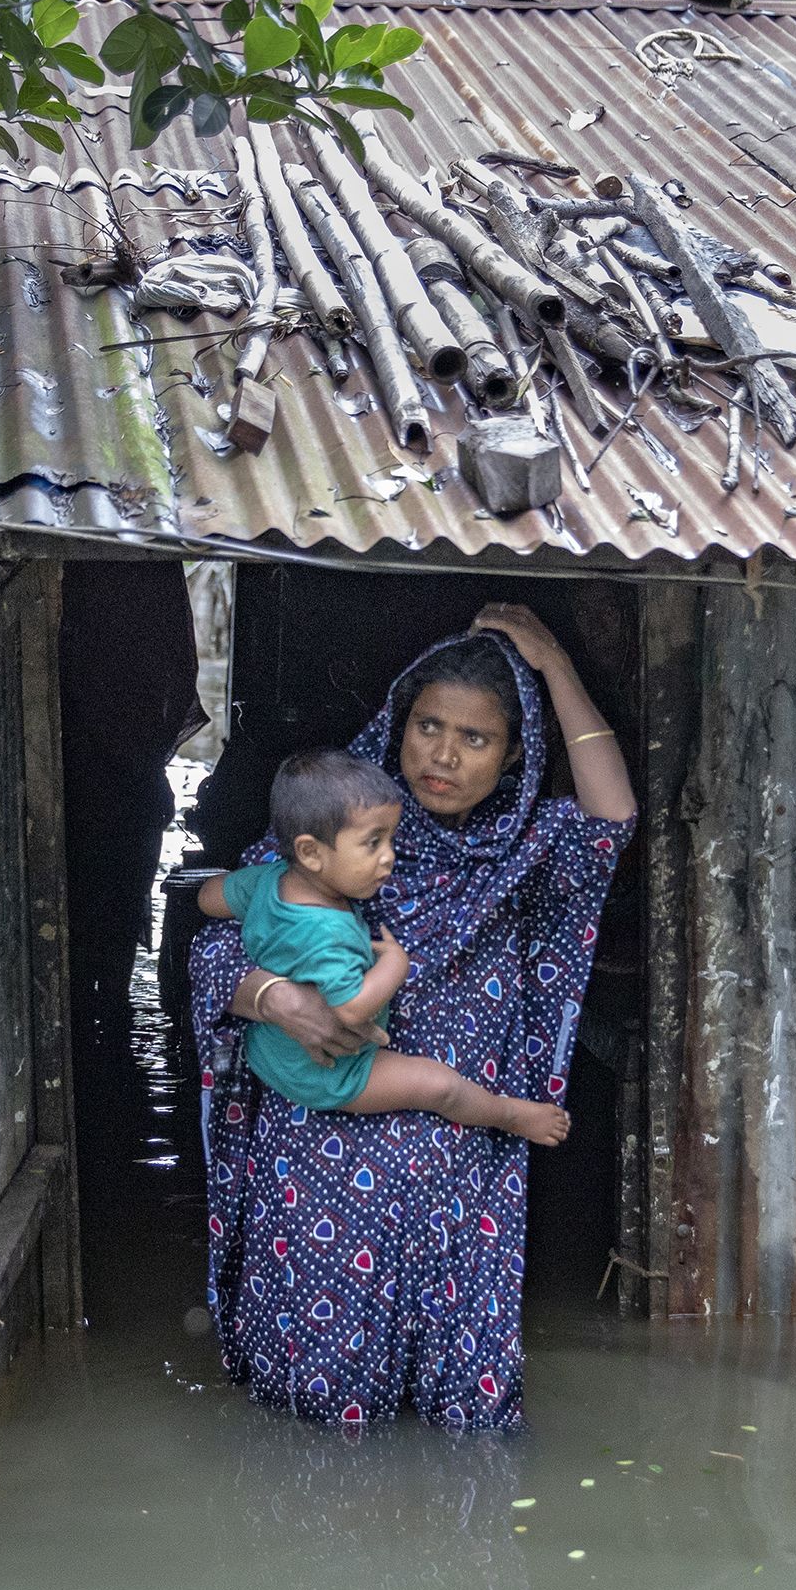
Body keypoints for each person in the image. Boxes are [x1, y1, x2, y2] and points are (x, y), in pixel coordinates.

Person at [187, 604, 636, 1430]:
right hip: (318, 1156)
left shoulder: (527, 851)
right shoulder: (336, 830)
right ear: (400, 725)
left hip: (458, 1173)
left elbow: (612, 820)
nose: (443, 753)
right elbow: (217, 941)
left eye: (475, 738)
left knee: (460, 1424)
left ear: (510, 759)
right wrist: (277, 998)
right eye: (429, 725)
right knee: (316, 1422)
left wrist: (555, 667)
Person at [198, 749, 573, 1146]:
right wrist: (395, 962)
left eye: (390, 839)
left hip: (267, 1049)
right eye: (372, 843)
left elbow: (209, 896)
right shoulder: (327, 935)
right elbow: (353, 1008)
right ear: (310, 852)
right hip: (327, 1072)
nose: (389, 857)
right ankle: (510, 1114)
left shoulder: (270, 880)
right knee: (438, 1086)